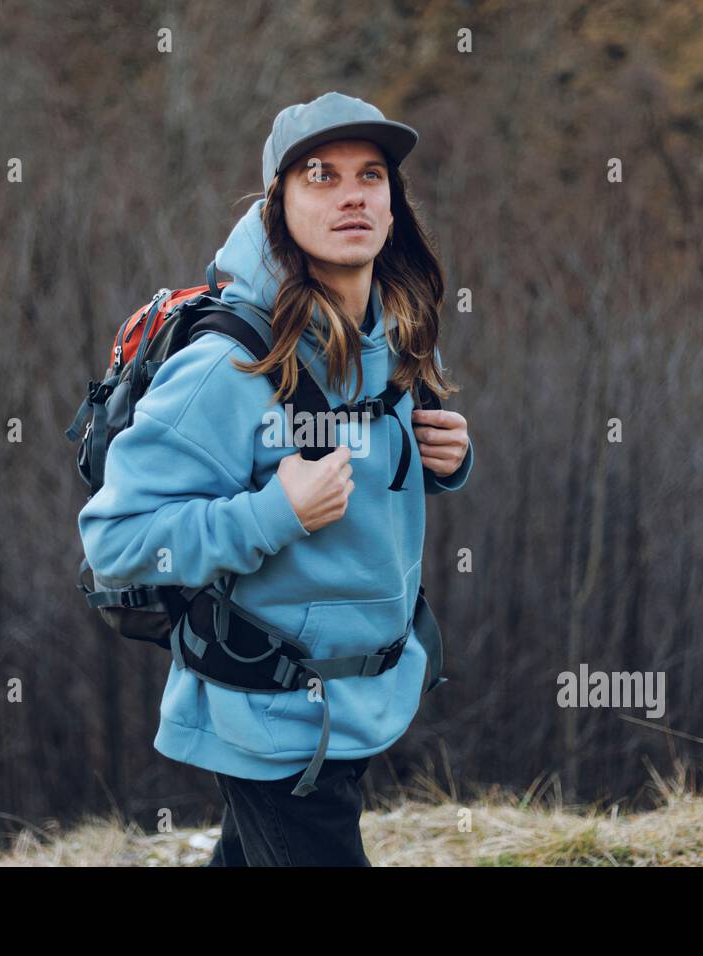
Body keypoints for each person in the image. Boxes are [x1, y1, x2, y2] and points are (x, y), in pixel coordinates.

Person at [77, 91, 475, 866]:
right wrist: (272, 514)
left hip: (356, 703)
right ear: (276, 207)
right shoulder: (226, 367)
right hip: (275, 717)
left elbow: (369, 475)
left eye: (371, 175)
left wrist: (449, 464)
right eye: (320, 176)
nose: (352, 194)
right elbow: (113, 542)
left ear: (395, 205)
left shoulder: (393, 331)